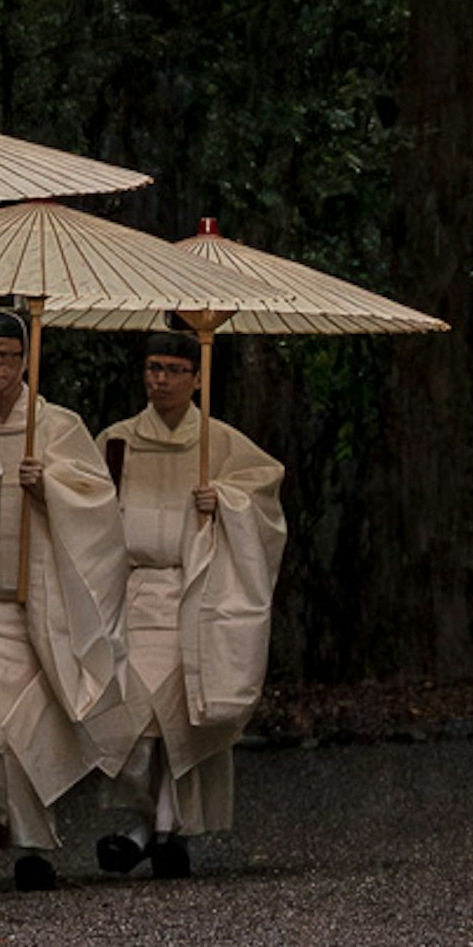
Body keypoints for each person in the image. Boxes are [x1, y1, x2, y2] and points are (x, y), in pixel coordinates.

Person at [0, 304, 135, 892]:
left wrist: (53, 489)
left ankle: (33, 841)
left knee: (19, 733)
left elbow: (97, 503)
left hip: (37, 605)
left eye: (6, 357)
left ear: (26, 361)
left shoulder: (57, 427)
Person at [93, 323, 286, 877]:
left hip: (195, 592)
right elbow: (87, 508)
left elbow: (266, 492)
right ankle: (141, 819)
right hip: (131, 591)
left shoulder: (220, 442)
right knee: (132, 719)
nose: (162, 380)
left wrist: (225, 500)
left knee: (179, 717)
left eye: (175, 371)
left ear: (197, 378)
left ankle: (162, 827)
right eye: (154, 369)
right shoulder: (117, 439)